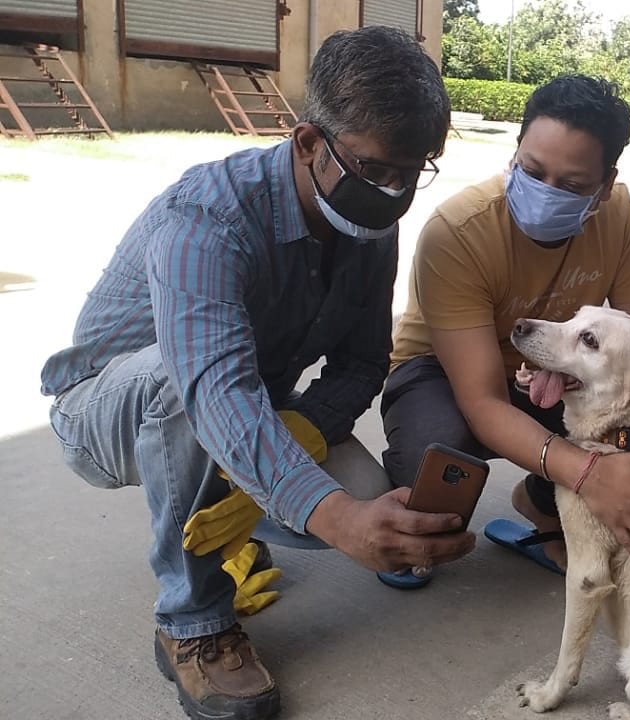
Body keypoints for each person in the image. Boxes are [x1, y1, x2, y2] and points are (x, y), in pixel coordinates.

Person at [38, 27, 474, 720]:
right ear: (308, 143)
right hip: (106, 412)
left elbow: (363, 360)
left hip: (246, 400)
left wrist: (303, 436)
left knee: (361, 497)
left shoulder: (369, 225)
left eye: (410, 172)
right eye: (373, 169)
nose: (391, 193)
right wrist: (331, 515)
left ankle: (229, 511)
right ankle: (192, 624)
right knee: (193, 395)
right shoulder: (206, 218)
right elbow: (213, 388)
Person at [381, 74, 630, 586]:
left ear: (605, 187)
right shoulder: (458, 233)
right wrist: (586, 472)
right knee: (438, 469)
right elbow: (483, 399)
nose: (545, 193)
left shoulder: (619, 215)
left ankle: (543, 503)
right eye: (531, 171)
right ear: (514, 153)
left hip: (552, 362)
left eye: (574, 186)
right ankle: (416, 483)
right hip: (443, 374)